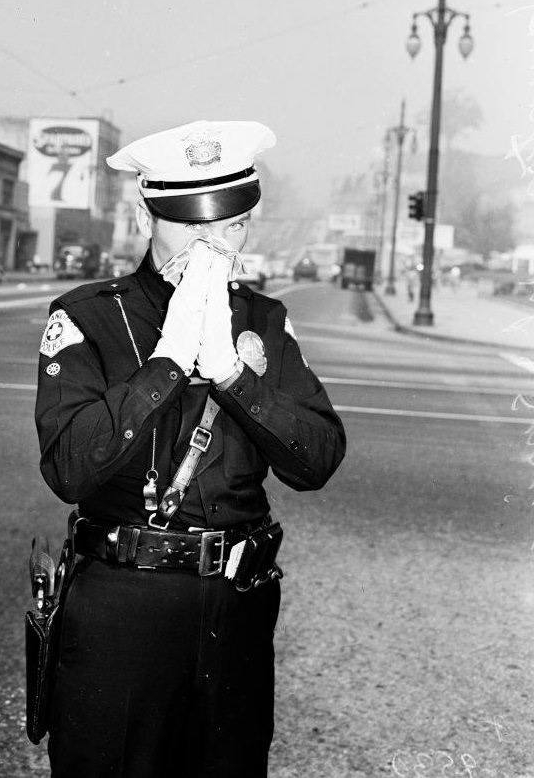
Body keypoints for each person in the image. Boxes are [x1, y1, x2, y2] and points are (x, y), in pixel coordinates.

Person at [34, 119, 346, 778]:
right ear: (150, 215)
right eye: (190, 225)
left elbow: (317, 458)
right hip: (125, 602)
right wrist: (167, 363)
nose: (210, 246)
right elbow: (67, 467)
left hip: (236, 603)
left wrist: (235, 376)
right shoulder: (88, 316)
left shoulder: (262, 319)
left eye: (229, 227)